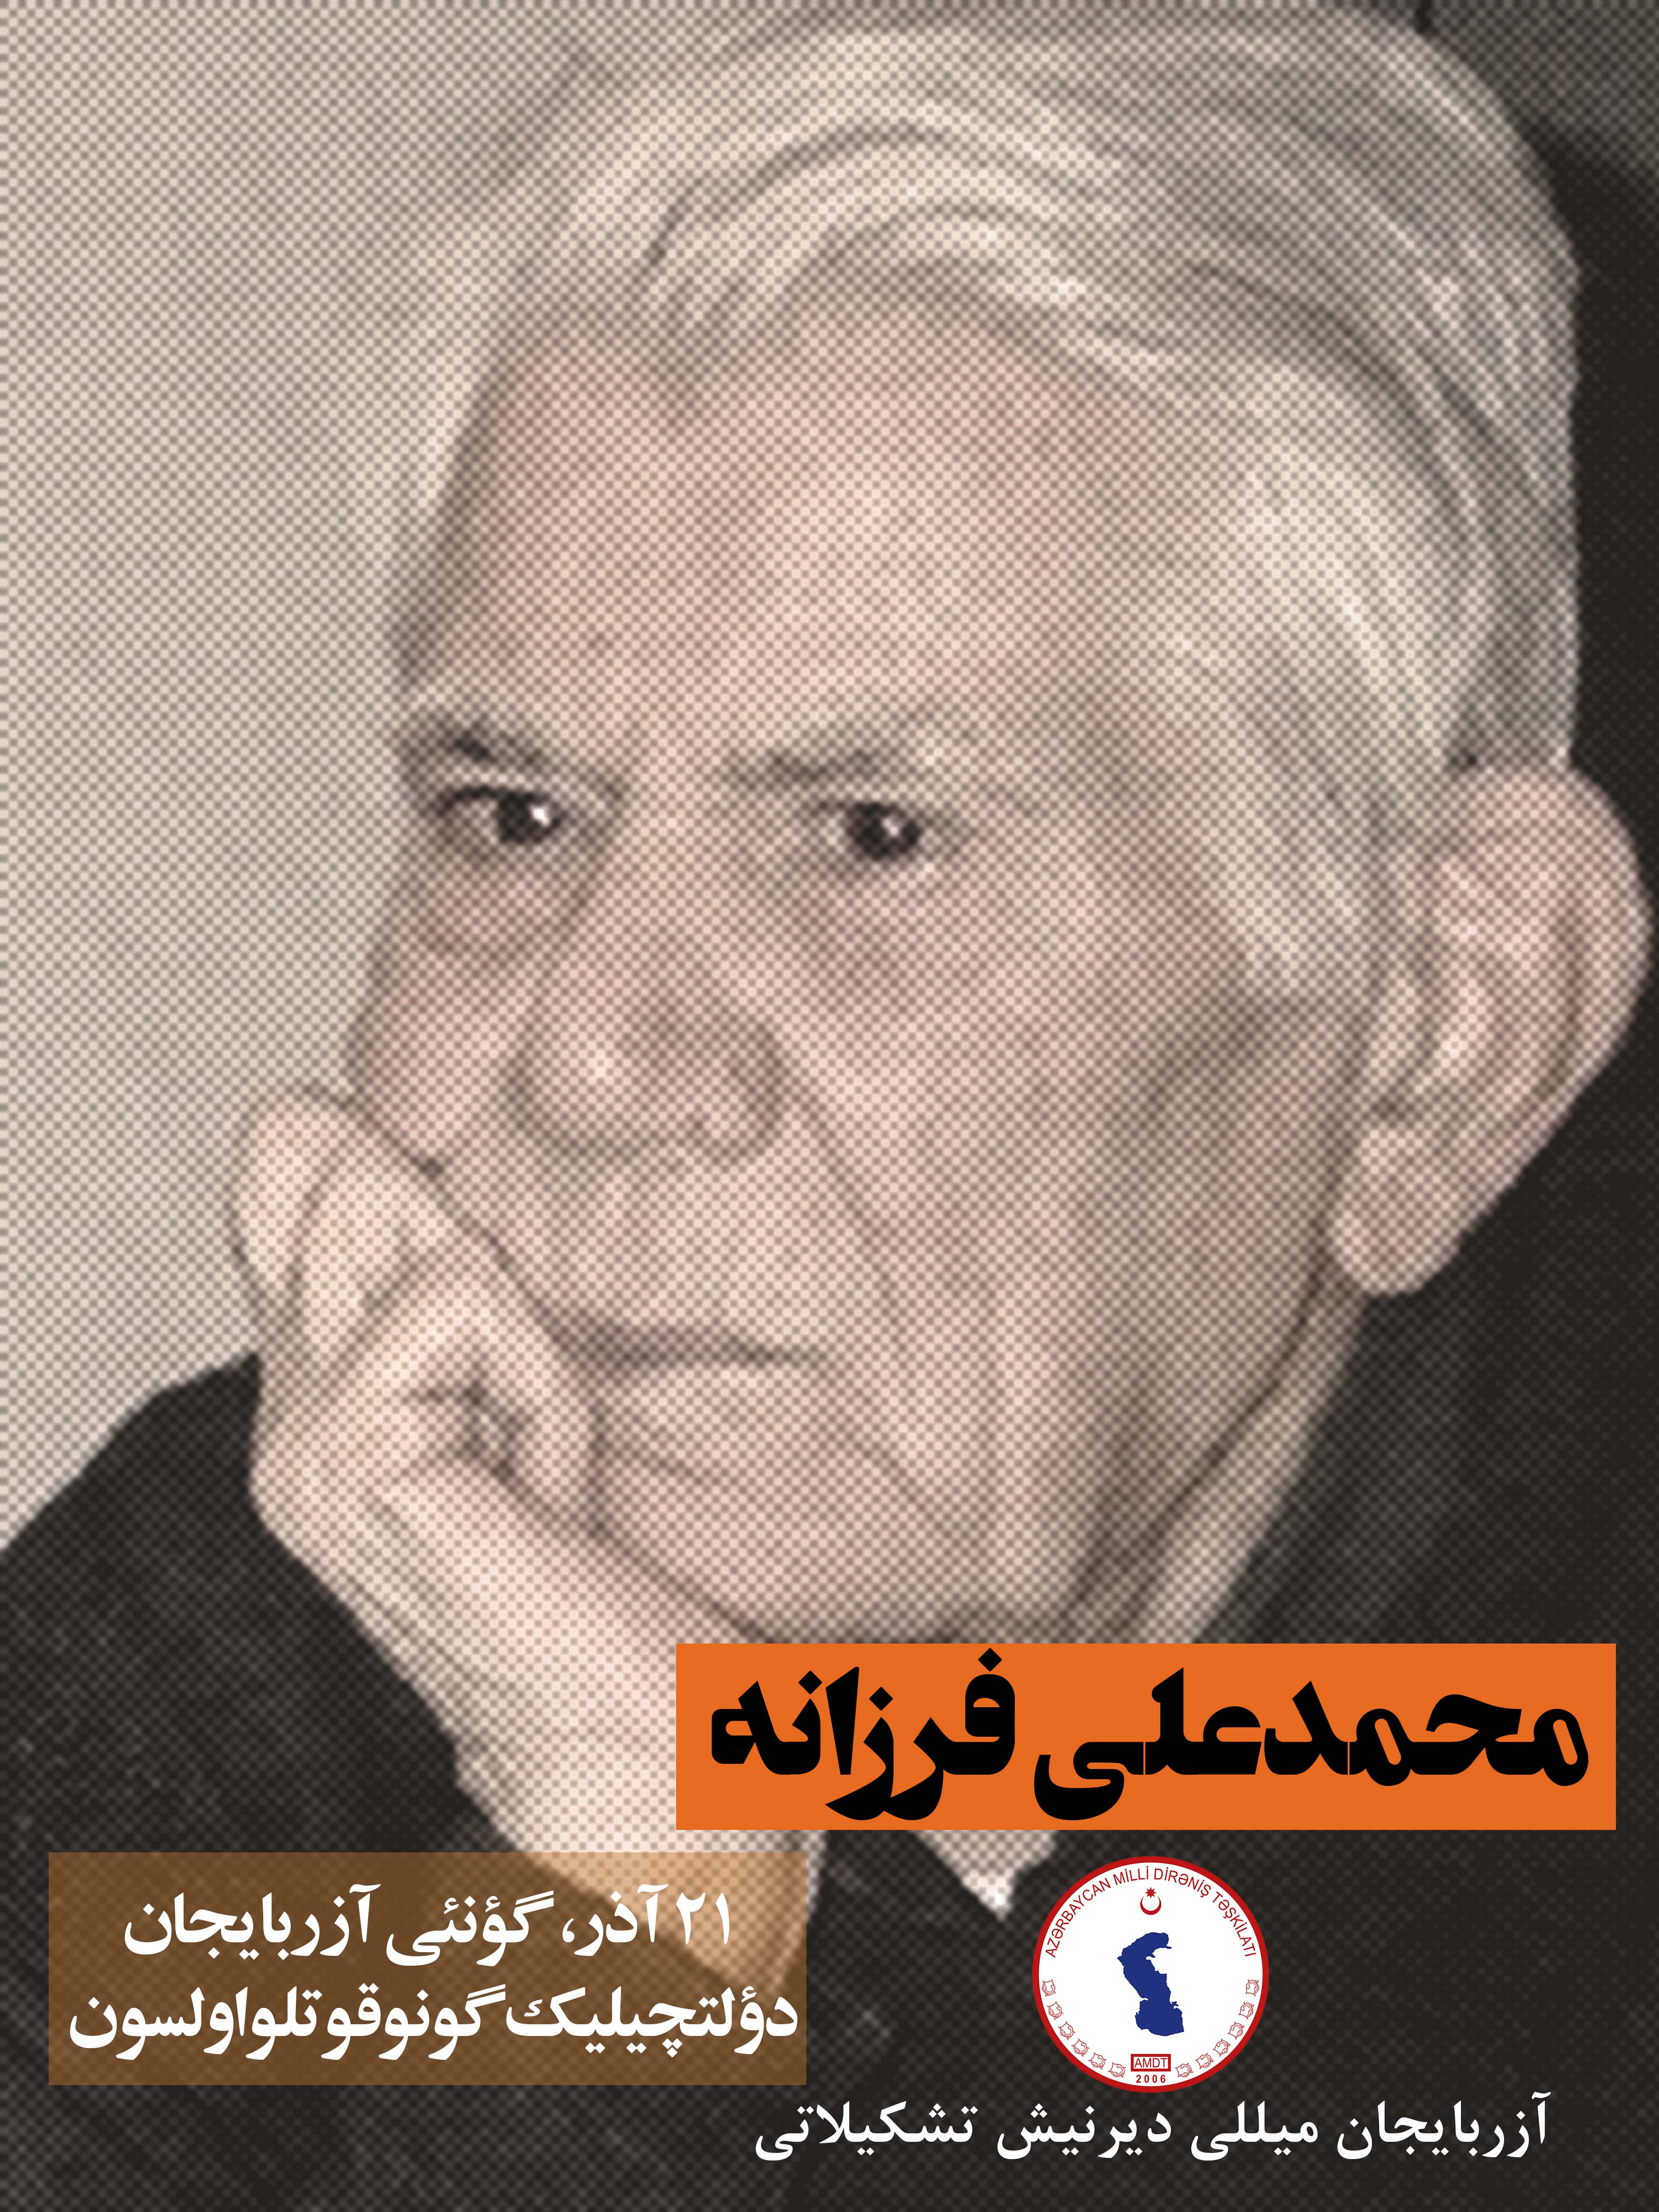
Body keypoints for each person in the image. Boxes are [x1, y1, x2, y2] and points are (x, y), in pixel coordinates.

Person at [6, 4, 1652, 2205]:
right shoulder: (257, 1642)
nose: (592, 1057)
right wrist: (619, 1912)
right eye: (510, 815)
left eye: (875, 834)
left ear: (1436, 1024)